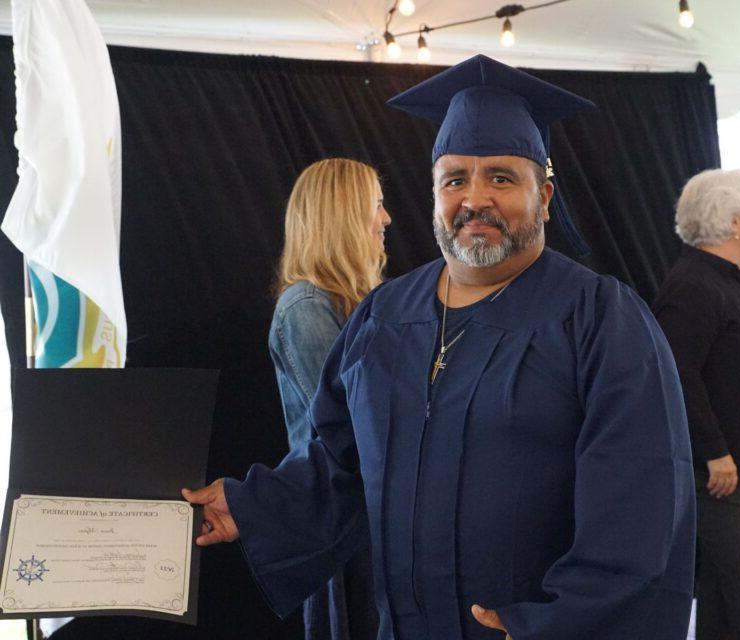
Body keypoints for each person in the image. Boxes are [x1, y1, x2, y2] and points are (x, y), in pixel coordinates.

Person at [184, 55, 696, 640]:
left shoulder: (600, 318)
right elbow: (338, 461)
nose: (475, 199)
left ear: (545, 196)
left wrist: (556, 623)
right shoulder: (383, 317)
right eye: (455, 179)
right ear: (434, 194)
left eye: (501, 177)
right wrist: (253, 505)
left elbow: (642, 498)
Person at [653, 169, 740, 640]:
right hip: (717, 474)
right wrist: (713, 450)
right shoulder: (694, 284)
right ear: (733, 222)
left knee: (723, 599)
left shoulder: (731, 281)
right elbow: (675, 374)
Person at [269, 158, 390, 640]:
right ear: (343, 214)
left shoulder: (360, 305)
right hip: (341, 526)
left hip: (369, 521)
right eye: (376, 205)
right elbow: (355, 431)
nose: (386, 219)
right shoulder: (306, 307)